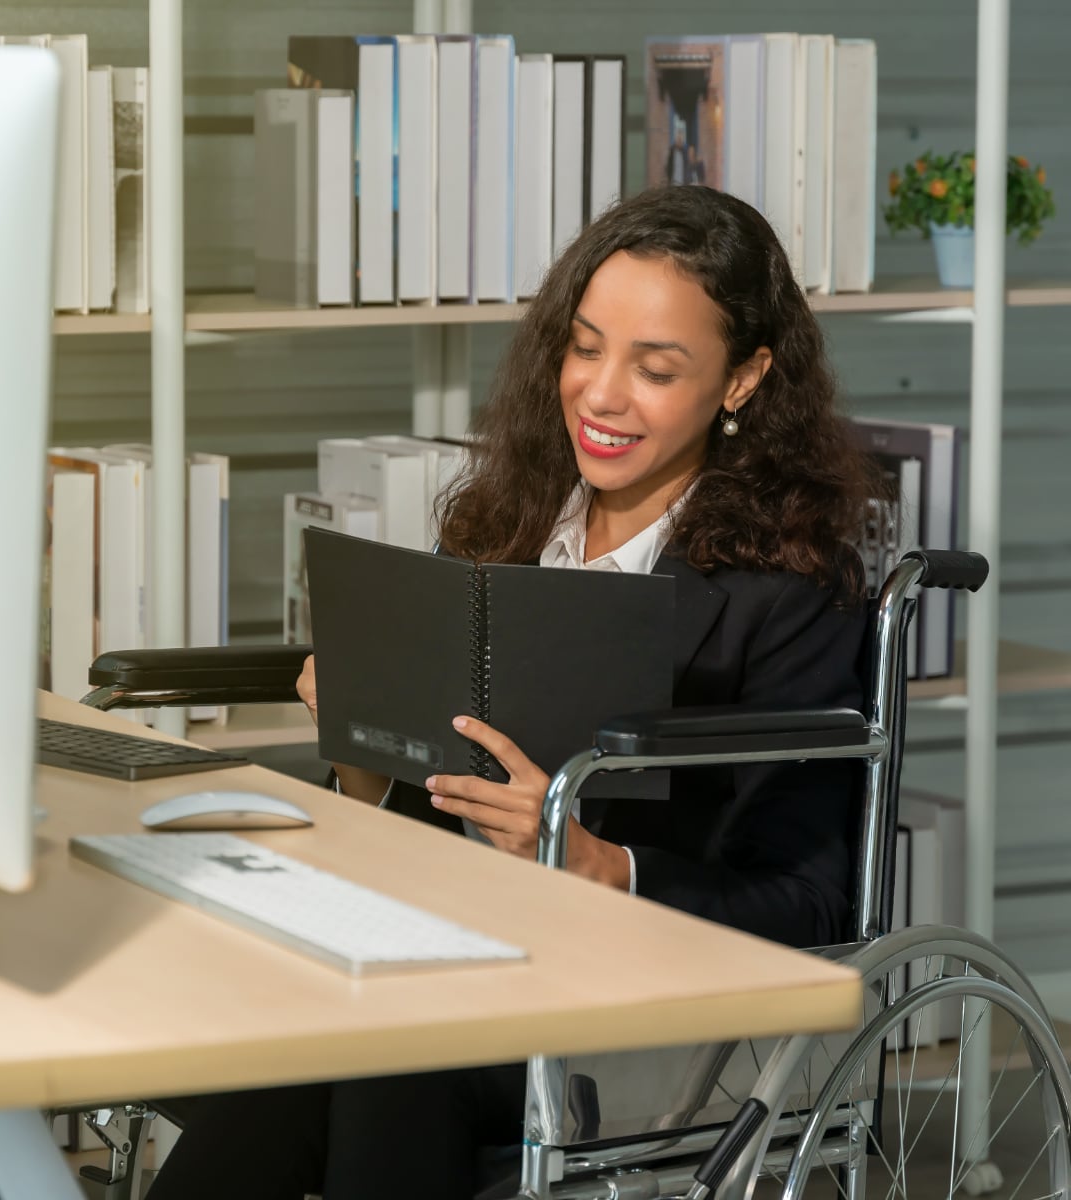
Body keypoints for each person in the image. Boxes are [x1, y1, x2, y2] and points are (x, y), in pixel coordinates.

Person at [145, 184, 886, 1200]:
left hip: (653, 1013)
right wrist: (365, 735)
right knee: (297, 1042)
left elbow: (813, 898)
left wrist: (603, 867)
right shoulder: (503, 528)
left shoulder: (790, 595)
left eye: (656, 367)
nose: (602, 394)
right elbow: (413, 830)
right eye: (585, 348)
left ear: (744, 379)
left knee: (378, 1056)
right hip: (452, 960)